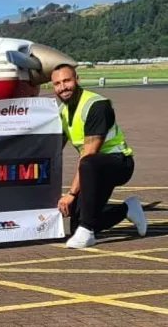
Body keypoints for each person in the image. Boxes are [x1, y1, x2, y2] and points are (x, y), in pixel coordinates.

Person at [52, 63, 146, 249]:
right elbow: (53, 149)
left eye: (67, 81)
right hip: (94, 169)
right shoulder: (63, 112)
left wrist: (71, 194)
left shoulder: (96, 106)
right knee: (75, 224)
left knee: (87, 163)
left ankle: (87, 233)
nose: (63, 87)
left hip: (119, 164)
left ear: (77, 80)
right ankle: (127, 208)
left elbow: (89, 153)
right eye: (57, 84)